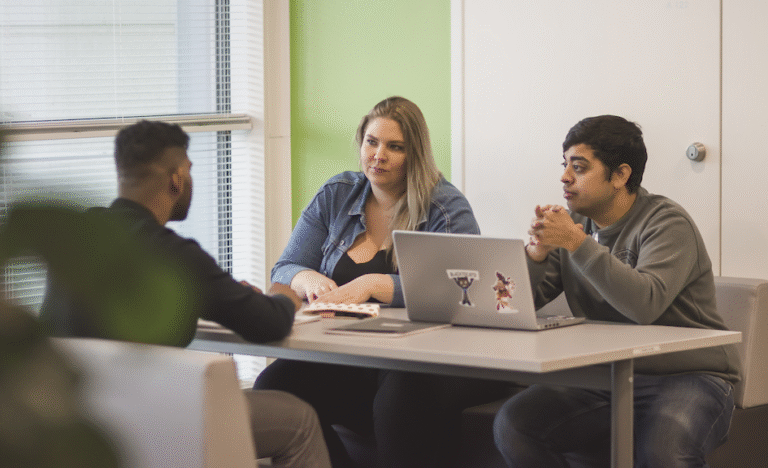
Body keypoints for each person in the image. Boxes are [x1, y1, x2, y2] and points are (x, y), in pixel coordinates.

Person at [39, 120, 331, 468]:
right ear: (176, 178)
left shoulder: (75, 237)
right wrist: (286, 294)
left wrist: (206, 298)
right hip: (153, 420)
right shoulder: (176, 255)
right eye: (189, 170)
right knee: (300, 421)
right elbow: (269, 324)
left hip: (80, 419)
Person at [255, 96, 513, 468]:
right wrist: (306, 277)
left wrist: (377, 284)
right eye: (371, 142)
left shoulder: (445, 207)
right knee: (274, 385)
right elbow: (285, 266)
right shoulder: (336, 194)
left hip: (431, 363)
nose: (378, 155)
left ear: (416, 154)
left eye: (395, 147)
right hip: (355, 355)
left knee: (399, 399)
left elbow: (464, 290)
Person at [492, 115, 742, 468]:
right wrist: (535, 255)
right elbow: (517, 306)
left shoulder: (666, 223)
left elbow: (644, 304)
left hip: (690, 375)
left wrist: (577, 243)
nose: (564, 177)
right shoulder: (574, 227)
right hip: (605, 374)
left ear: (621, 175)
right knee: (515, 426)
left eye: (579, 167)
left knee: (663, 450)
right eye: (564, 165)